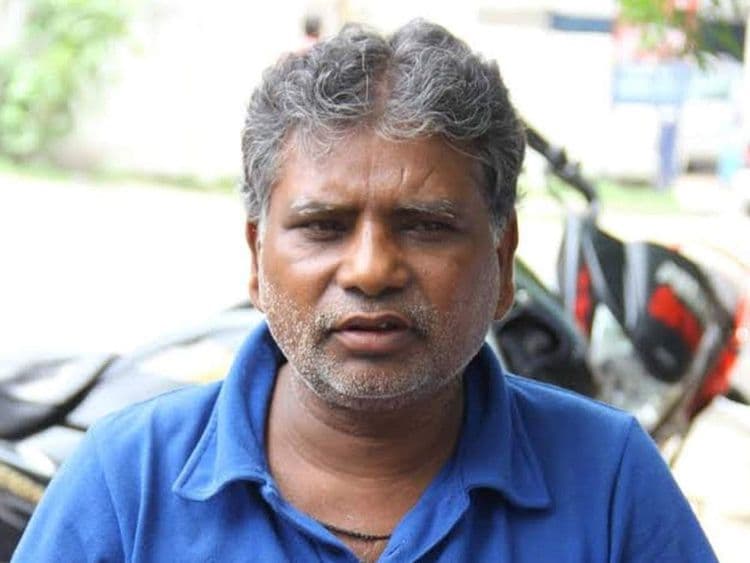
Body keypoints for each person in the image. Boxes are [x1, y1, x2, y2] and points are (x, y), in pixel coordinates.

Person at [13, 19, 716, 563]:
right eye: (323, 226)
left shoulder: (609, 481)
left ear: (503, 262)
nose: (372, 270)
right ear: (256, 257)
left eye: (426, 226)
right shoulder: (126, 481)